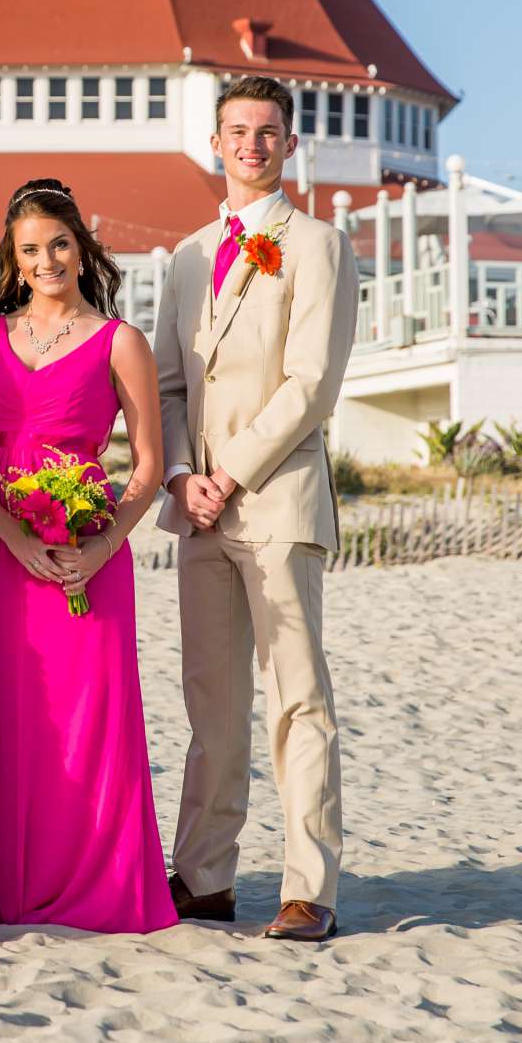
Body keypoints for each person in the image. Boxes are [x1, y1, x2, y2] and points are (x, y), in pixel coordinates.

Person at [154, 75, 360, 943]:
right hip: (197, 510)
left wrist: (228, 473)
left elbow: (311, 385)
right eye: (237, 130)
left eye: (267, 131)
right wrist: (176, 477)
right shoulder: (187, 255)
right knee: (210, 699)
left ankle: (309, 886)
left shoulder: (317, 244)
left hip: (275, 499)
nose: (251, 144)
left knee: (296, 698)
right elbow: (164, 383)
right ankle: (203, 878)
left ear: (288, 144)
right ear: (216, 141)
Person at [0, 178, 176, 934]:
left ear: (81, 249)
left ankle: (104, 885)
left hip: (88, 555)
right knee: (21, 720)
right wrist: (13, 536)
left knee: (91, 717)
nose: (46, 259)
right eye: (29, 250)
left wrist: (105, 542)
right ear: (11, 263)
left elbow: (147, 465)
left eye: (58, 244)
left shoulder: (122, 342)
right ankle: (18, 887)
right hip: (3, 551)